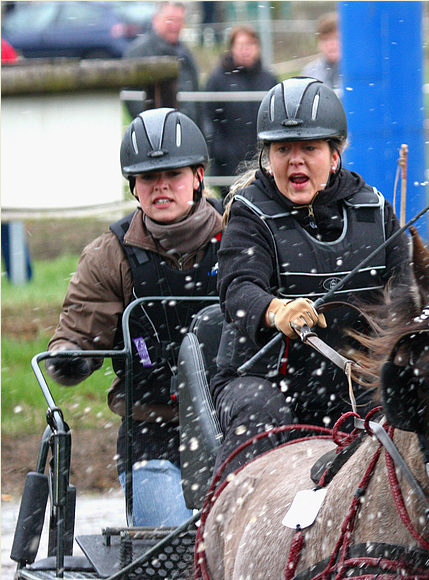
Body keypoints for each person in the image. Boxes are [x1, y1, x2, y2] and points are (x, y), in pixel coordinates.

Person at [211, 77, 409, 474]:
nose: (295, 160)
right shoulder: (250, 213)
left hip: (355, 380)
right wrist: (273, 310)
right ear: (269, 156)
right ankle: (226, 522)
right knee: (261, 409)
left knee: (407, 404)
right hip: (262, 379)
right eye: (283, 149)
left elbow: (408, 291)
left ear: (334, 156)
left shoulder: (375, 210)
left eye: (309, 148)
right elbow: (238, 285)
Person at [45, 108, 223, 527]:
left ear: (198, 176)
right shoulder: (109, 254)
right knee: (171, 544)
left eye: (173, 175)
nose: (161, 186)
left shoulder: (240, 234)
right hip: (151, 432)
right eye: (148, 178)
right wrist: (72, 355)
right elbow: (77, 328)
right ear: (133, 187)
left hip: (232, 423)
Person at [203, 24, 278, 197]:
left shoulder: (268, 79)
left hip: (262, 158)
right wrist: (220, 150)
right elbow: (208, 118)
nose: (246, 50)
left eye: (251, 45)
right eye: (241, 46)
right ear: (232, 48)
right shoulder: (217, 80)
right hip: (228, 164)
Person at [123, 2, 201, 124]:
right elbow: (132, 97)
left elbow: (196, 95)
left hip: (187, 129)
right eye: (170, 20)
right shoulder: (139, 51)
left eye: (179, 20)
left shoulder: (186, 53)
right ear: (156, 19)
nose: (175, 25)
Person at [300, 12, 341, 96]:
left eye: (336, 38)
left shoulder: (357, 71)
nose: (331, 45)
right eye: (325, 39)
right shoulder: (310, 73)